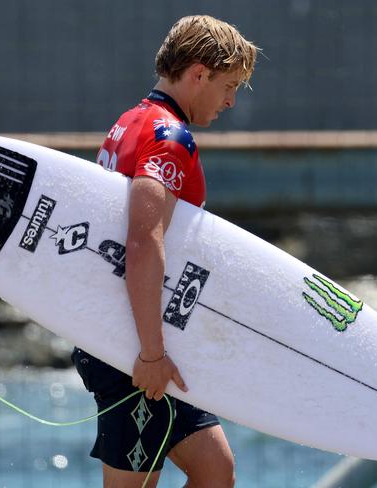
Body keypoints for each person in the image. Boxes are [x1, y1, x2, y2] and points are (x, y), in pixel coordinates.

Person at [72, 15, 257, 487]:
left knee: (215, 470)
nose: (231, 100)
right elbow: (142, 239)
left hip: (146, 332)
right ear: (199, 74)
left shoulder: (130, 122)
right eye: (229, 85)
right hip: (134, 344)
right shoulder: (170, 138)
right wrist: (151, 354)